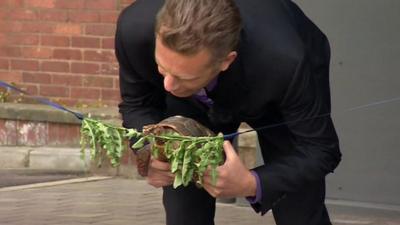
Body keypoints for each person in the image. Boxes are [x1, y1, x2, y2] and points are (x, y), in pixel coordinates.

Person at [116, 0, 342, 224]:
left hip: (274, 94)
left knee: (299, 211)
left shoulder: (286, 62)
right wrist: (149, 149)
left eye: (185, 77)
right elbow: (137, 105)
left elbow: (320, 149)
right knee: (184, 208)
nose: (168, 86)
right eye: (162, 68)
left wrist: (252, 183)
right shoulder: (133, 30)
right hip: (190, 104)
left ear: (226, 61)